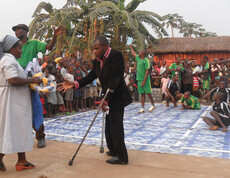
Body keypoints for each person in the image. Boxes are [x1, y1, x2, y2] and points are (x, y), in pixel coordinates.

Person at [58, 36, 132, 165]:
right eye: (94, 49)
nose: (95, 51)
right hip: (108, 96)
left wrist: (106, 99)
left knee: (116, 127)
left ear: (105, 47)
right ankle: (114, 150)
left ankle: (122, 157)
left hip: (117, 96)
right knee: (109, 125)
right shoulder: (97, 61)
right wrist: (74, 84)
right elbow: (90, 76)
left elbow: (115, 79)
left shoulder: (116, 56)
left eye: (97, 48)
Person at [12, 23, 65, 148]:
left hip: (30, 82)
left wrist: (55, 36)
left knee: (36, 109)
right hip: (16, 81)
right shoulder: (13, 45)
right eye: (15, 30)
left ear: (25, 31)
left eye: (18, 29)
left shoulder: (34, 43)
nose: (16, 32)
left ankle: (40, 136)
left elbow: (49, 46)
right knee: (16, 111)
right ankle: (18, 138)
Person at [0, 35, 42, 172]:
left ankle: (22, 161)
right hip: (11, 101)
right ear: (11, 49)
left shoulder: (12, 60)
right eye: (19, 48)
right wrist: (31, 81)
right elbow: (12, 79)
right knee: (9, 129)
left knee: (20, 129)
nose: (21, 51)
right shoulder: (7, 60)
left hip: (17, 101)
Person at [129, 45, 155, 113]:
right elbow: (134, 54)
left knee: (148, 93)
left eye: (140, 52)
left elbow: (147, 72)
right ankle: (142, 108)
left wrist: (144, 81)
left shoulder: (146, 61)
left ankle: (153, 105)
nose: (139, 53)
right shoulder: (138, 59)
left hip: (145, 80)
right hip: (139, 79)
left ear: (143, 53)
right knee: (142, 94)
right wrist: (131, 48)